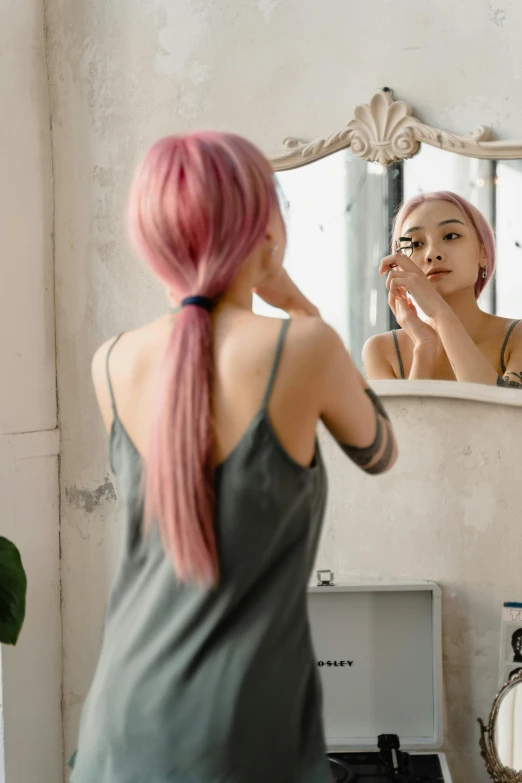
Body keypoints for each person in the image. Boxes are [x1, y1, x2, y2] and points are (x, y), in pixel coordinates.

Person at [70, 131, 398, 783]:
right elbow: (378, 449)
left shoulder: (110, 361)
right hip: (245, 728)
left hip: (120, 719)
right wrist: (299, 305)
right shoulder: (304, 347)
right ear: (264, 228)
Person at [363, 191, 522, 386]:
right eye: (416, 244)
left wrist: (441, 313)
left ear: (483, 254)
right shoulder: (381, 350)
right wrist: (424, 348)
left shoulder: (517, 337)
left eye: (451, 236)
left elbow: (499, 413)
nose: (432, 254)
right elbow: (407, 418)